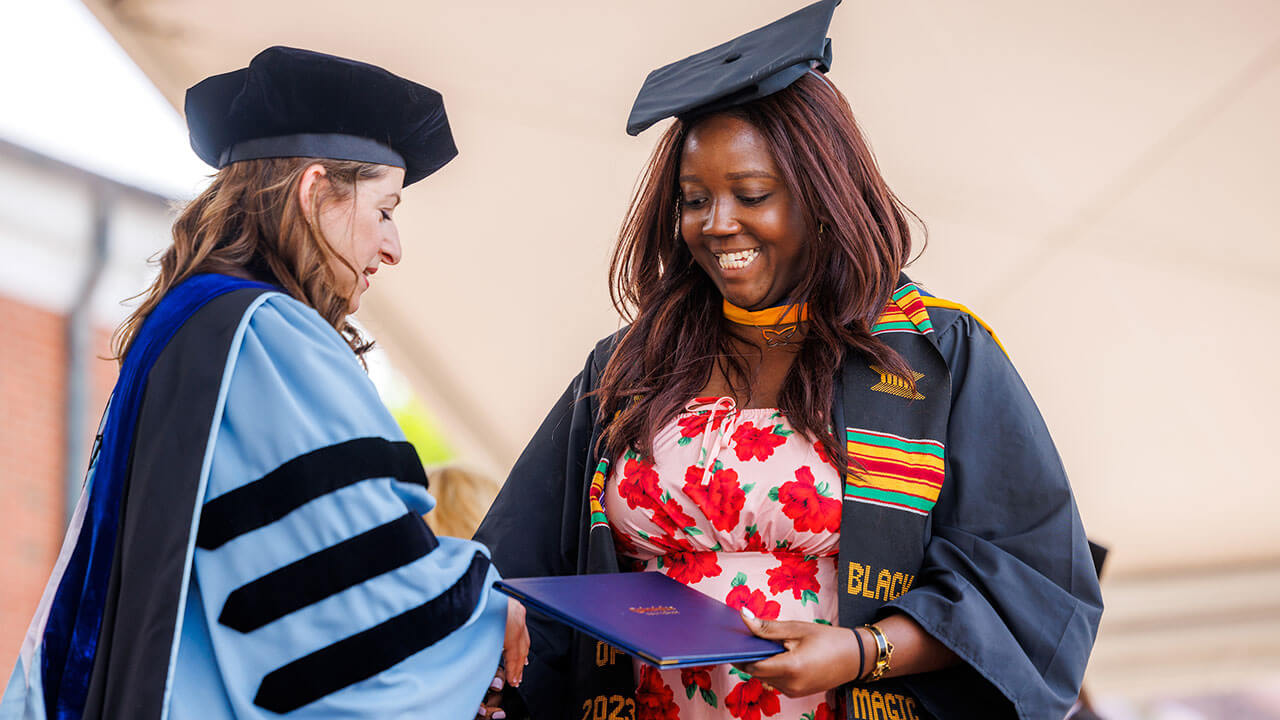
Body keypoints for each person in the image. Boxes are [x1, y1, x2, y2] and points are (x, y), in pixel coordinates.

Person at [474, 2, 1103, 719]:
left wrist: (863, 651)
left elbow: (1031, 583)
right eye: (693, 199)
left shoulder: (935, 353)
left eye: (751, 195)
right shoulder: (629, 367)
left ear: (823, 194)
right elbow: (518, 567)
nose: (717, 224)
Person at [1, 46, 522, 720]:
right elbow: (354, 607)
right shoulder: (268, 337)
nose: (393, 248)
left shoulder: (188, 326)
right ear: (314, 193)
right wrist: (483, 609)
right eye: (385, 209)